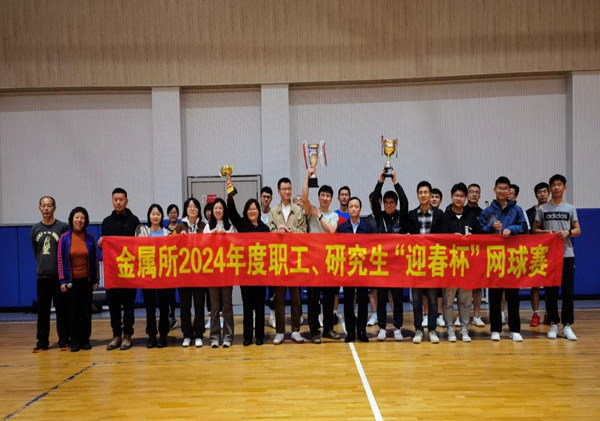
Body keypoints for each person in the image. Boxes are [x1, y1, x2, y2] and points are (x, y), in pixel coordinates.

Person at [479, 176, 528, 342]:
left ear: (509, 191)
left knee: (513, 295)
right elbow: (479, 231)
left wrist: (511, 229)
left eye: (505, 188)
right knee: (494, 295)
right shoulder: (487, 211)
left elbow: (524, 226)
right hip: (494, 258)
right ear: (494, 190)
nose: (502, 191)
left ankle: (515, 329)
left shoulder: (517, 209)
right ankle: (495, 329)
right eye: (499, 188)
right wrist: (490, 226)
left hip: (512, 258)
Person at [533, 174, 581, 341]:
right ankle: (553, 323)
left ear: (564, 187)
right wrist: (546, 232)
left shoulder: (570, 208)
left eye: (559, 184)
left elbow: (578, 230)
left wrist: (568, 232)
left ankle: (567, 325)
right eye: (553, 185)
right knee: (550, 292)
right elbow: (534, 230)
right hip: (548, 256)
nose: (556, 187)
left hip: (567, 254)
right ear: (550, 188)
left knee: (567, 291)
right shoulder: (542, 209)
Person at [302, 168, 342, 344]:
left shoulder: (333, 215)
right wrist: (307, 177)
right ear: (319, 197)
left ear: (331, 199)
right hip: (313, 261)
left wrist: (319, 216)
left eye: (328, 196)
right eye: (323, 195)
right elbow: (304, 198)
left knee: (329, 298)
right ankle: (314, 331)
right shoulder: (311, 210)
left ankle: (328, 329)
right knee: (313, 299)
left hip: (329, 262)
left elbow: (332, 230)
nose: (325, 198)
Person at [227, 183, 269, 346]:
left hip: (260, 273)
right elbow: (231, 213)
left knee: (259, 306)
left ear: (258, 211)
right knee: (247, 306)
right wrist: (230, 194)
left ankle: (259, 336)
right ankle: (247, 337)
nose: (252, 211)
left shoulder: (265, 229)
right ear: (246, 211)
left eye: (255, 209)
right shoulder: (242, 224)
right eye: (249, 209)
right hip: (245, 273)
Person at [99, 188, 140, 351]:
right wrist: (102, 243)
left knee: (129, 305)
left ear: (126, 201)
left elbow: (139, 244)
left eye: (121, 199)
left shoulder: (134, 220)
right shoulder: (106, 222)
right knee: (113, 304)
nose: (118, 202)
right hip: (112, 272)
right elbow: (106, 246)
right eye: (115, 199)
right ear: (112, 201)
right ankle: (116, 335)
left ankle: (127, 335)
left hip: (129, 271)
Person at [440, 183, 481, 342]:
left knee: (465, 301)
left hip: (467, 267)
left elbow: (481, 238)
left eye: (461, 196)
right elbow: (437, 239)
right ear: (451, 197)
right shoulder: (444, 217)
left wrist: (472, 238)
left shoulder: (472, 217)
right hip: (449, 266)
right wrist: (451, 238)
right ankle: (450, 328)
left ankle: (464, 329)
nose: (459, 198)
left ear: (465, 198)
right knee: (448, 301)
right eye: (456, 195)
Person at [371, 169, 409, 341]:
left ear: (396, 204)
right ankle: (382, 328)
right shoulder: (379, 217)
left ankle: (398, 327)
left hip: (397, 265)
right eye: (386, 202)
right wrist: (380, 182)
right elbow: (374, 200)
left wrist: (395, 182)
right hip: (382, 264)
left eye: (392, 202)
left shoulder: (402, 217)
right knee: (381, 298)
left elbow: (405, 201)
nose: (388, 205)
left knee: (398, 298)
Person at [268, 177, 307, 344]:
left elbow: (303, 231)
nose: (287, 191)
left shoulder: (298, 210)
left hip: (295, 258)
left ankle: (296, 330)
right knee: (279, 298)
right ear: (279, 191)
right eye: (284, 189)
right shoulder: (273, 212)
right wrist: (277, 231)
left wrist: (289, 230)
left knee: (296, 297)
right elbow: (269, 233)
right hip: (278, 259)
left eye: (289, 188)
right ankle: (280, 331)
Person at [407, 181, 444, 344]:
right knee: (416, 299)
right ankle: (418, 329)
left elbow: (445, 237)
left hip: (433, 262)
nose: (423, 195)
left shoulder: (439, 214)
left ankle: (432, 329)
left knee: (432, 299)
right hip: (416, 263)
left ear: (430, 195)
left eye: (426, 192)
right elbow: (405, 236)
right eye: (420, 192)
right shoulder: (411, 215)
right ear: (417, 195)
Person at [31, 196, 69, 352]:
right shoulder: (35, 229)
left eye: (49, 205)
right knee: (43, 311)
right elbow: (36, 251)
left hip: (59, 277)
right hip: (42, 276)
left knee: (62, 310)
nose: (46, 208)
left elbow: (66, 250)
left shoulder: (62, 227)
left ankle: (64, 340)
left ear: (54, 208)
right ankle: (42, 342)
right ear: (40, 208)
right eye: (43, 205)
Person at [58, 207, 99, 352]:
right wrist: (62, 281)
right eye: (77, 217)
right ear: (72, 219)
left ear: (85, 220)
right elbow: (60, 260)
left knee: (86, 312)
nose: (79, 220)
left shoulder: (90, 238)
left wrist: (96, 280)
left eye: (82, 218)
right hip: (71, 282)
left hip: (86, 281)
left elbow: (95, 259)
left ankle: (85, 340)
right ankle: (74, 340)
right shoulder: (64, 238)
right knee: (72, 312)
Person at [338, 196, 374, 342]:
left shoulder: (367, 227)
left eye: (356, 206)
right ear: (348, 209)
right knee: (348, 302)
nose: (353, 209)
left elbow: (373, 247)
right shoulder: (342, 228)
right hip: (348, 271)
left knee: (363, 301)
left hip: (363, 270)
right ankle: (350, 331)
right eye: (351, 206)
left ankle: (362, 330)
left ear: (360, 209)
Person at [136, 204, 171, 348]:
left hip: (163, 275)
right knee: (150, 307)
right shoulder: (143, 232)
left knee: (164, 307)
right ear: (149, 216)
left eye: (158, 214)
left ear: (162, 216)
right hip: (148, 275)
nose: (155, 216)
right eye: (153, 214)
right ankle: (151, 335)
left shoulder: (167, 233)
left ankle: (163, 335)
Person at [204, 198, 237, 347]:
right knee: (215, 306)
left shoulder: (230, 226)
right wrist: (212, 235)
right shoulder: (207, 227)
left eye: (220, 208)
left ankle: (228, 337)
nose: (218, 210)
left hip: (227, 271)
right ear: (212, 211)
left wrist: (226, 237)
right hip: (212, 271)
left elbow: (236, 245)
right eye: (215, 208)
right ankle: (214, 337)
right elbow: (202, 246)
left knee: (227, 305)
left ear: (224, 210)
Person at [175, 197, 207, 347]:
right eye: (189, 206)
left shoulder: (204, 226)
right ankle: (187, 335)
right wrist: (178, 239)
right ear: (186, 210)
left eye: (195, 206)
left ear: (199, 210)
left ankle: (199, 334)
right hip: (184, 273)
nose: (192, 209)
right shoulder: (179, 226)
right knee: (185, 306)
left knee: (199, 305)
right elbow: (171, 245)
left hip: (200, 273)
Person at [526, 182, 549, 327]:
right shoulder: (529, 212)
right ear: (536, 195)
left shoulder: (553, 211)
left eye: (544, 191)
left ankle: (548, 314)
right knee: (534, 285)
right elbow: (528, 232)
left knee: (549, 285)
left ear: (548, 193)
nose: (542, 194)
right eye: (539, 192)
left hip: (550, 252)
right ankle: (535, 314)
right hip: (535, 252)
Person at [466, 183, 486, 328]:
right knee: (462, 287)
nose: (474, 194)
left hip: (478, 254)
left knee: (477, 287)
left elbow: (486, 233)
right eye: (471, 192)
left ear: (480, 195)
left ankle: (476, 315)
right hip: (462, 255)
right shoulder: (460, 210)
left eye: (476, 192)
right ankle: (463, 315)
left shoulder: (483, 213)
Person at [164, 203, 180, 330]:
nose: (173, 214)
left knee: (181, 292)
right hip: (168, 265)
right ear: (168, 215)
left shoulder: (181, 228)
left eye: (175, 212)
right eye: (171, 212)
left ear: (178, 214)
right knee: (169, 294)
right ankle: (171, 317)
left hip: (180, 264)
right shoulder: (164, 230)